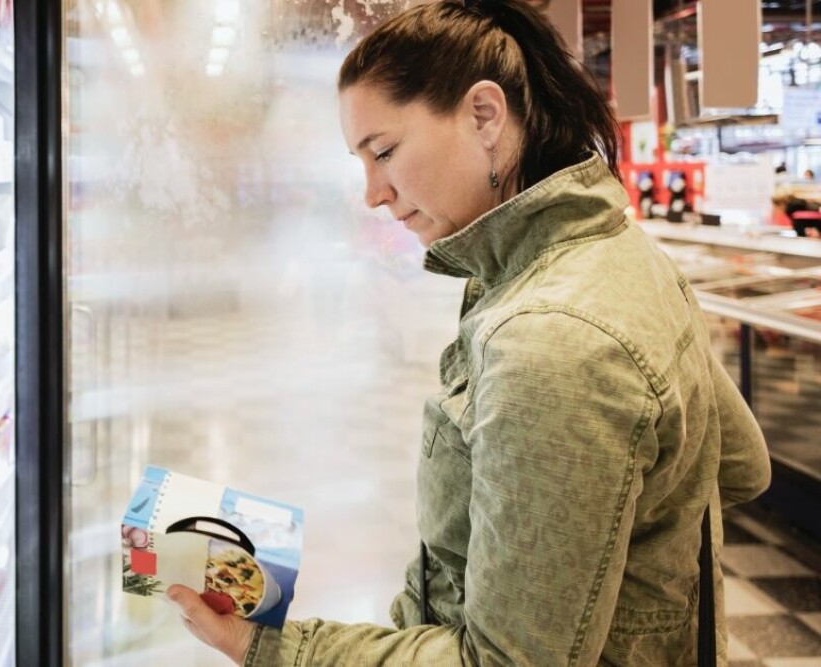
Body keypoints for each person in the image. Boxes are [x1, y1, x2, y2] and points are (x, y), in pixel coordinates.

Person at [167, 1, 772, 665]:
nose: (372, 191)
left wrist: (269, 646)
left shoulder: (550, 341)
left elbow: (503, 659)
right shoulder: (621, 252)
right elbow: (741, 460)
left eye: (385, 152)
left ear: (485, 115)